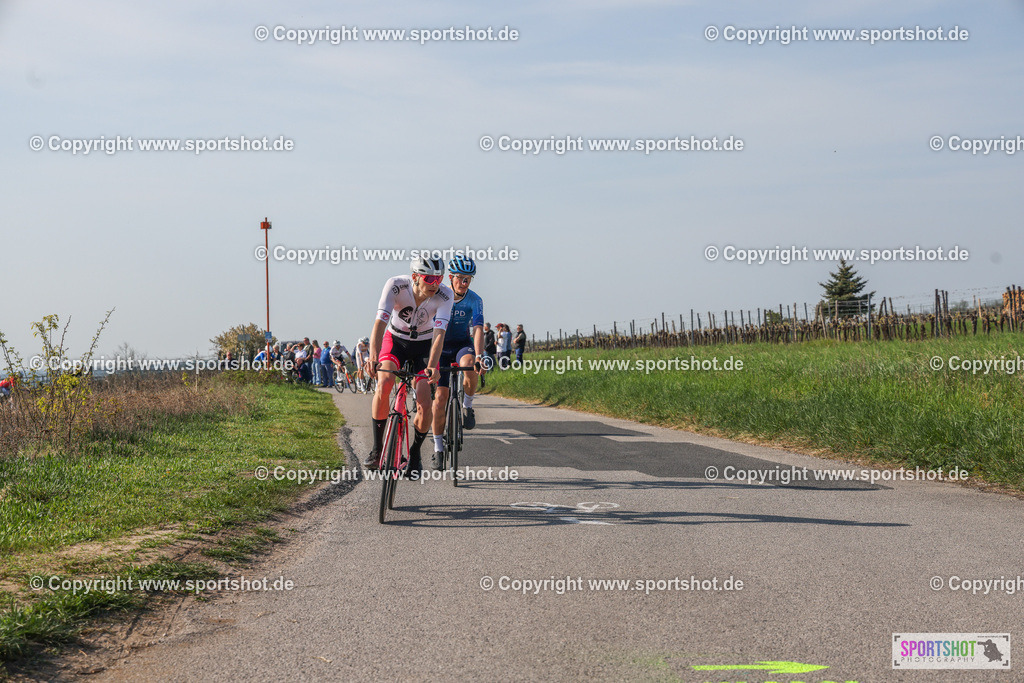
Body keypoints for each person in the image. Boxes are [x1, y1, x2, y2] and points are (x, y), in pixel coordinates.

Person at [363, 256, 454, 475]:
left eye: (439, 278)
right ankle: (377, 449)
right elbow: (380, 322)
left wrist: (433, 366)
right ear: (415, 277)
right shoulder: (395, 285)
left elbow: (439, 335)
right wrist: (373, 357)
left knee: (424, 401)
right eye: (429, 278)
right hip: (396, 341)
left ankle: (415, 453)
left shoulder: (445, 295)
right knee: (384, 383)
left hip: (424, 346)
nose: (435, 283)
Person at [429, 255, 485, 469]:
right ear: (450, 277)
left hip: (462, 343)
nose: (464, 282)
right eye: (460, 278)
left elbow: (478, 329)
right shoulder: (438, 295)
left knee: (470, 364)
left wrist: (480, 356)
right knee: (440, 398)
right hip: (440, 347)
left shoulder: (475, 300)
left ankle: (467, 406)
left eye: (468, 279)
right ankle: (438, 449)